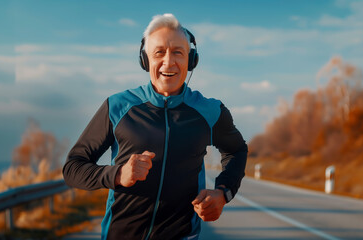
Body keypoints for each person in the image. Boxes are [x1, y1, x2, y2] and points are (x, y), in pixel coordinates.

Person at [62, 13, 247, 240]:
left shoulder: (210, 111)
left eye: (178, 52)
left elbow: (237, 150)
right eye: (159, 52)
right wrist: (118, 174)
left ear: (191, 60)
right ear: (145, 59)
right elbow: (73, 169)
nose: (168, 62)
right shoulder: (118, 106)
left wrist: (223, 192)